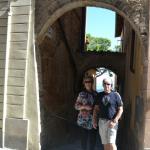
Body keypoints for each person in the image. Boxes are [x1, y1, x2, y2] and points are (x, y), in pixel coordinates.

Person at [93, 77, 123, 150]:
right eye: (105, 84)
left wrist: (115, 120)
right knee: (105, 144)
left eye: (108, 84)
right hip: (102, 122)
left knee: (112, 143)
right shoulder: (99, 95)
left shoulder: (116, 95)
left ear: (111, 85)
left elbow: (121, 109)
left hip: (112, 122)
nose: (106, 85)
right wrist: (94, 120)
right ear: (103, 85)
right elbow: (96, 109)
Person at [75, 76, 98, 150]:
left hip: (93, 121)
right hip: (83, 121)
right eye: (86, 82)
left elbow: (99, 108)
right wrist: (84, 106)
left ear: (92, 83)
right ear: (84, 83)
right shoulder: (81, 94)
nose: (88, 84)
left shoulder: (96, 94)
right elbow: (76, 106)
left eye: (89, 82)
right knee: (83, 141)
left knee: (92, 140)